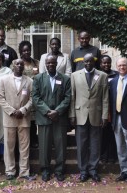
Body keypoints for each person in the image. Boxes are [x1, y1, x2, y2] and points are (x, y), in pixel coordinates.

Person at [69, 53, 108, 182]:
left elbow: (105, 98)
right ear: (83, 62)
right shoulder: (74, 75)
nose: (88, 63)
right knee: (81, 145)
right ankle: (83, 171)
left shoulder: (102, 76)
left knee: (95, 144)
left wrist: (105, 116)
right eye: (86, 62)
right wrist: (72, 115)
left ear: (94, 62)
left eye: (90, 61)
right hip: (80, 115)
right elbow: (72, 96)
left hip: (96, 115)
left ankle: (93, 169)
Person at [32, 54, 71, 182]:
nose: (50, 65)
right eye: (48, 63)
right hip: (44, 118)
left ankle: (60, 170)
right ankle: (45, 170)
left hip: (59, 118)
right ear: (45, 64)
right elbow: (35, 97)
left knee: (61, 146)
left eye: (53, 63)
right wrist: (48, 111)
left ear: (56, 64)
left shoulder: (65, 79)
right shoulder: (38, 78)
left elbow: (67, 98)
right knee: (44, 146)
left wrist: (57, 111)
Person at [0, 59, 35, 181]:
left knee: (24, 146)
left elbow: (32, 98)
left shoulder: (29, 81)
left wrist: (23, 110)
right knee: (9, 146)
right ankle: (10, 171)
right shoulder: (4, 80)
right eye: (17, 64)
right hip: (9, 118)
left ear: (24, 67)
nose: (19, 66)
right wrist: (12, 111)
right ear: (12, 66)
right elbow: (1, 98)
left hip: (24, 118)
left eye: (21, 64)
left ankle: (24, 171)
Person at [16, 40, 39, 148]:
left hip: (34, 93)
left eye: (28, 50)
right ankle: (24, 141)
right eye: (24, 50)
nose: (26, 52)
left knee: (33, 118)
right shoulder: (16, 63)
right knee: (24, 117)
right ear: (21, 51)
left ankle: (33, 140)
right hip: (22, 94)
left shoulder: (36, 63)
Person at [99, 55, 118, 163]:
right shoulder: (97, 75)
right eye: (104, 63)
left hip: (114, 107)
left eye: (108, 63)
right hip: (101, 108)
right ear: (100, 64)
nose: (106, 65)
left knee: (112, 133)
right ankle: (103, 156)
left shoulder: (116, 75)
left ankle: (112, 156)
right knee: (102, 134)